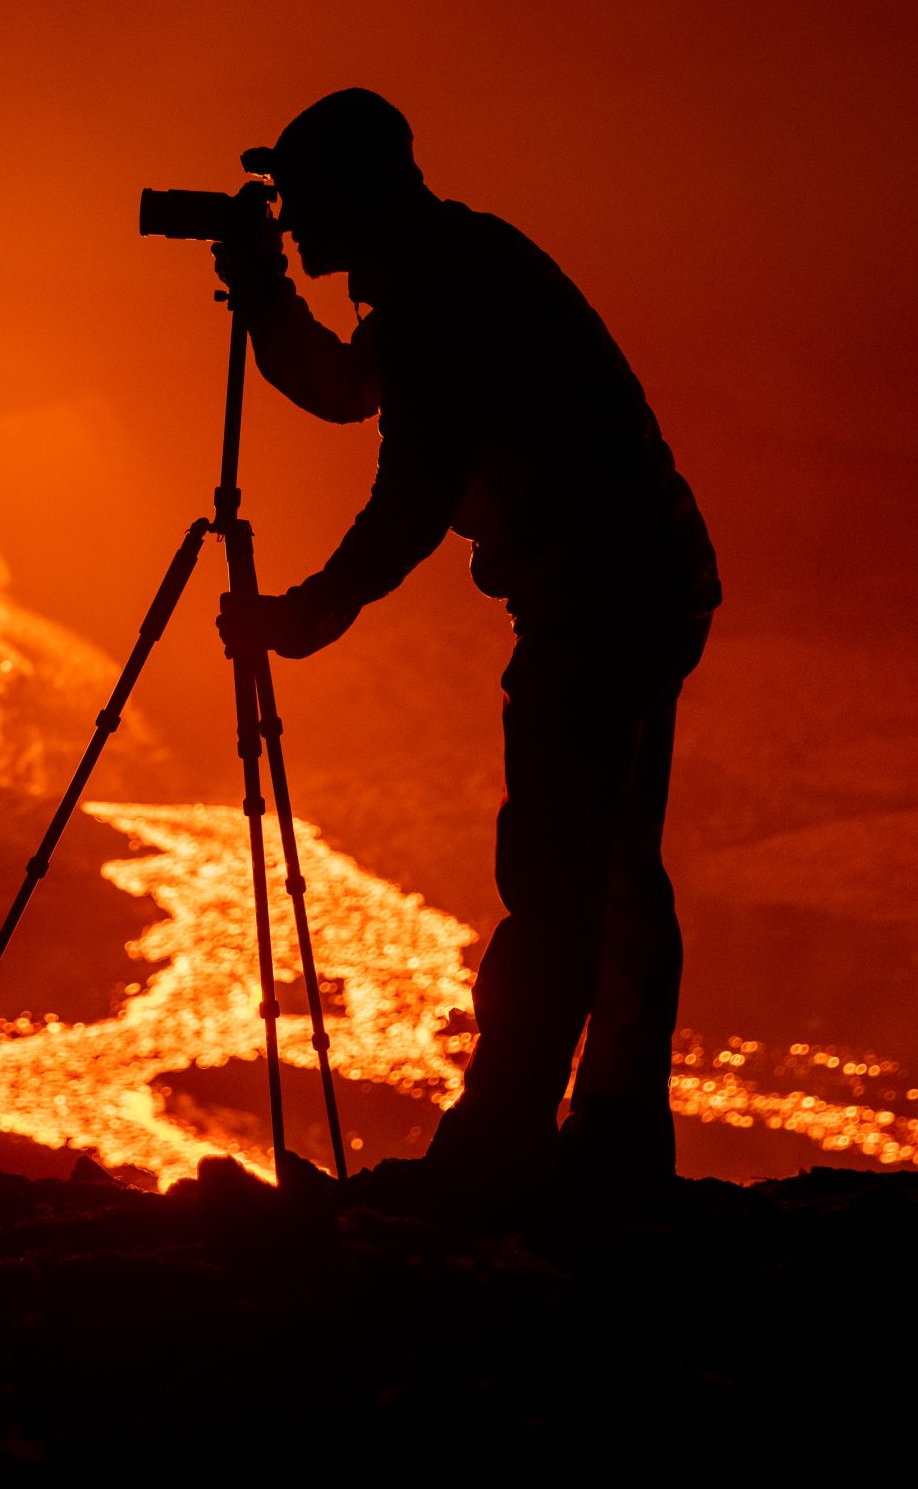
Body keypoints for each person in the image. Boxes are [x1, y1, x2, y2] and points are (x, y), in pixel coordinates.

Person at [213, 88, 720, 1198]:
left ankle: (505, 1146)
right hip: (642, 580)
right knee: (609, 867)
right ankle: (613, 1138)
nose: (291, 223)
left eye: (300, 204)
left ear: (358, 191)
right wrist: (265, 298)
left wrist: (305, 613)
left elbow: (409, 494)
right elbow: (350, 390)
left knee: (557, 869)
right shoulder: (450, 269)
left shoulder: (445, 296)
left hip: (600, 596)